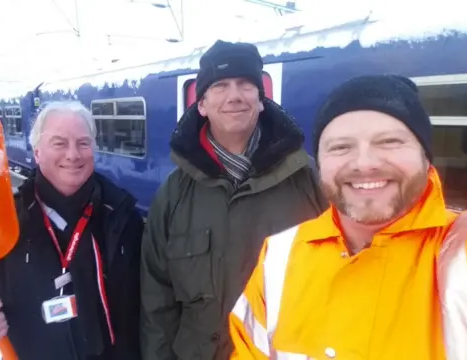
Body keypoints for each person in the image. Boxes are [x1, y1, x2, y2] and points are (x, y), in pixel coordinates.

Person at [229, 74, 467, 359]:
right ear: (320, 163)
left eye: (389, 142)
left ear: (426, 157)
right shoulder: (278, 256)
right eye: (340, 147)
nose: (364, 164)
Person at [140, 40, 328, 360]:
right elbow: (157, 301)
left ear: (261, 99)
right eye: (220, 86)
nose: (234, 95)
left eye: (245, 84)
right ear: (201, 103)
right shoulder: (173, 195)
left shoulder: (311, 182)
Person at [0, 101, 144, 360]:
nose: (73, 154)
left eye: (83, 143)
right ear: (36, 153)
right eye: (59, 143)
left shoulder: (123, 217)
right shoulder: (3, 223)